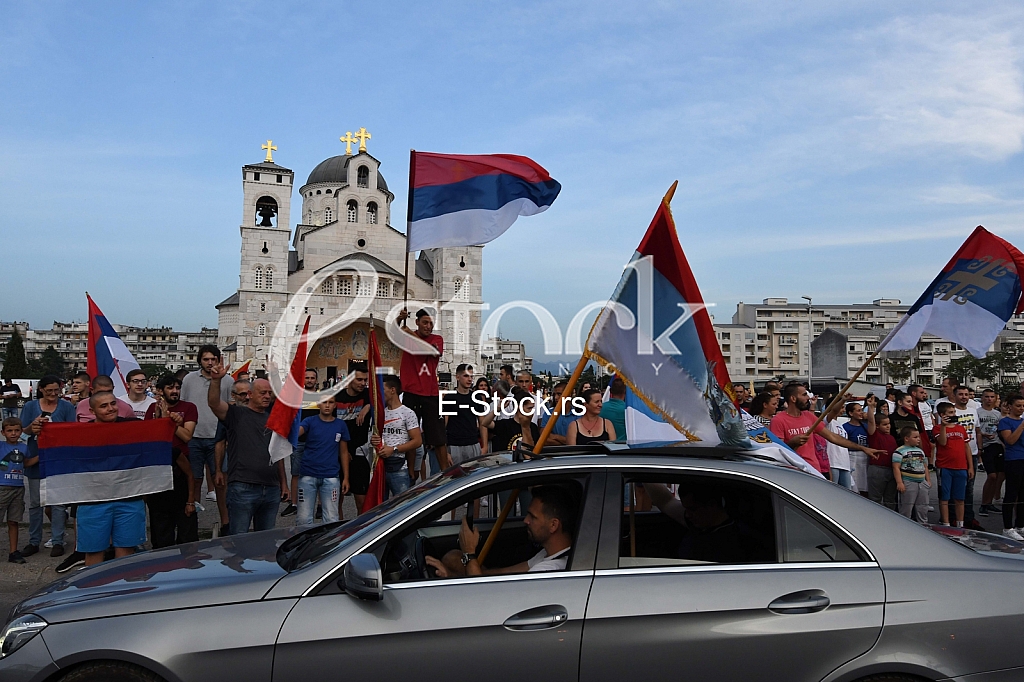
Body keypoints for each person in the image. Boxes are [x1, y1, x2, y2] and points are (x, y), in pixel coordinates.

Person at [208, 364, 288, 534]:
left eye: (269, 393)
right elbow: (214, 404)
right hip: (243, 487)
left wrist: (283, 483)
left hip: (271, 488)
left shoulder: (273, 419)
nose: (267, 397)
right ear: (250, 395)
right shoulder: (236, 414)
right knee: (239, 539)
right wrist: (216, 381)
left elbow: (278, 453)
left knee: (265, 541)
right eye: (262, 393)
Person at [426, 485, 575, 577]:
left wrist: (469, 553)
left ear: (553, 525)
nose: (525, 520)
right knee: (453, 557)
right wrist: (450, 575)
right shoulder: (549, 554)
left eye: (533, 517)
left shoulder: (550, 570)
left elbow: (482, 596)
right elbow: (504, 573)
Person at [73, 391, 149, 566]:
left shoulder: (134, 426)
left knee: (126, 553)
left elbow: (157, 439)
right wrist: (40, 429)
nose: (110, 408)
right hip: (93, 501)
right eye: (104, 406)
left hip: (128, 499)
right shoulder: (81, 433)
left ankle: (120, 592)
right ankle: (95, 593)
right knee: (93, 553)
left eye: (113, 403)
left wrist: (170, 422)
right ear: (92, 411)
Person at [20, 375, 76, 558]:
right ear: (41, 390)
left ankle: (58, 540)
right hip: (36, 457)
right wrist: (33, 427)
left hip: (58, 458)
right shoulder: (30, 406)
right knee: (35, 503)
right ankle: (33, 541)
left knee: (58, 503)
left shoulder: (67, 407)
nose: (53, 394)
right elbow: (23, 431)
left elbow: (72, 431)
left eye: (56, 390)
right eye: (49, 390)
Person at [770, 384, 881, 475]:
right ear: (793, 398)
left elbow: (832, 437)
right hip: (794, 473)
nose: (808, 398)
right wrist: (792, 443)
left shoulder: (808, 416)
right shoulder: (778, 420)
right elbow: (777, 451)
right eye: (804, 395)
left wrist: (863, 448)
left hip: (814, 470)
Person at [180, 345, 233, 532]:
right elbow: (183, 406)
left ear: (218, 360)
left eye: (213, 359)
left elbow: (229, 409)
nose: (210, 362)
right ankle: (191, 523)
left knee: (220, 482)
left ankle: (226, 523)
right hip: (193, 437)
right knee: (193, 480)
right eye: (206, 359)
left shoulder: (227, 380)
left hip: (217, 438)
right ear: (200, 361)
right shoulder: (189, 379)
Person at [144, 374, 198, 549]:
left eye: (177, 388)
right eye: (170, 388)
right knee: (160, 523)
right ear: (160, 391)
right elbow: (151, 437)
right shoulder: (152, 408)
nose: (175, 391)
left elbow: (187, 436)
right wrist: (159, 419)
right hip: (159, 465)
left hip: (181, 463)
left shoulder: (189, 407)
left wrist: (170, 422)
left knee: (185, 522)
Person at [397, 308, 449, 470]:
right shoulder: (407, 335)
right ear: (417, 322)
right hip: (411, 392)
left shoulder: (437, 339)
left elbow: (431, 351)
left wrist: (410, 334)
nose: (428, 326)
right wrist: (399, 319)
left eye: (431, 323)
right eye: (425, 322)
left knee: (439, 438)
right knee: (410, 436)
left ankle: (446, 473)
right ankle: (411, 472)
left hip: (430, 394)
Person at [296, 395, 349, 525]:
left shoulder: (340, 425)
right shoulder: (310, 421)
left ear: (335, 405)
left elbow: (343, 452)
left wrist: (346, 477)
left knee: (331, 518)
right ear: (318, 404)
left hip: (331, 476)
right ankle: (305, 544)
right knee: (303, 518)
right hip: (308, 474)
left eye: (331, 402)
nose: (327, 405)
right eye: (324, 402)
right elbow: (297, 432)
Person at [369, 375, 422, 498]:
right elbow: (376, 436)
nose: (380, 393)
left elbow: (417, 441)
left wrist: (393, 449)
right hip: (380, 466)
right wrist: (374, 440)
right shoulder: (379, 413)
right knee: (380, 508)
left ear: (393, 390)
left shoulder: (407, 413)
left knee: (402, 507)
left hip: (399, 468)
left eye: (382, 389)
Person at [282, 368, 322, 518]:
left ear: (316, 380)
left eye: (312, 378)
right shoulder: (296, 398)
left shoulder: (320, 398)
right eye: (307, 378)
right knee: (296, 473)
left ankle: (320, 505)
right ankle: (294, 504)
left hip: (316, 443)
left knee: (318, 473)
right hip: (298, 441)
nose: (310, 380)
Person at [336, 365, 371, 510]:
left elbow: (385, 398)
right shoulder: (337, 396)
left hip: (359, 453)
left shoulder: (368, 394)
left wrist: (367, 407)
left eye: (365, 380)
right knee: (336, 501)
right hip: (338, 452)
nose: (363, 383)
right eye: (359, 380)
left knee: (362, 502)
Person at [934, 402, 973, 527]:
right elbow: (943, 442)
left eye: (954, 412)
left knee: (960, 497)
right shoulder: (937, 428)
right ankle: (946, 523)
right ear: (942, 415)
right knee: (945, 497)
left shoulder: (961, 428)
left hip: (961, 466)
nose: (953, 415)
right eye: (950, 413)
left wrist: (970, 466)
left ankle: (960, 524)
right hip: (945, 466)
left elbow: (967, 447)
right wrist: (944, 427)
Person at [445, 364, 492, 466]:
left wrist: (484, 447)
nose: (470, 379)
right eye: (466, 376)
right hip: (454, 445)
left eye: (471, 376)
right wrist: (445, 451)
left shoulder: (477, 398)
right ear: (457, 377)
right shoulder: (449, 398)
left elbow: (482, 423)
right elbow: (443, 425)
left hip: (473, 444)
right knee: (455, 478)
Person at [0, 418, 31, 563]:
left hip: (18, 488)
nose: (13, 433)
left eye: (17, 430)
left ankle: (13, 552)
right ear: (3, 432)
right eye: (9, 431)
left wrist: (42, 456)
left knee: (14, 521)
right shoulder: (1, 446)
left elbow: (26, 463)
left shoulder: (24, 447)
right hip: (2, 487)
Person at [950, 386, 982, 528]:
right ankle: (952, 518)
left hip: (972, 453)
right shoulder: (951, 411)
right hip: (956, 454)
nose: (964, 397)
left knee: (969, 488)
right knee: (953, 488)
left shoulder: (973, 411)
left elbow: (978, 431)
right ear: (955, 395)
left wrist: (980, 449)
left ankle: (969, 518)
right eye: (961, 394)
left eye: (966, 394)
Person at [998, 396, 1024, 540]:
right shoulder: (1005, 422)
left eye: (1023, 406)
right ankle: (1008, 527)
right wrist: (1021, 426)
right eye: (1018, 405)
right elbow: (1010, 440)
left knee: (1023, 494)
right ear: (1011, 406)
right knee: (1011, 493)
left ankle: (1020, 524)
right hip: (1014, 459)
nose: (1021, 408)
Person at [865, 397, 898, 509]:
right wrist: (871, 408)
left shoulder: (891, 437)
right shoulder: (874, 435)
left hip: (891, 469)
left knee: (890, 499)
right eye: (885, 424)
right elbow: (870, 421)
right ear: (877, 426)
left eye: (889, 424)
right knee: (875, 499)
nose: (888, 426)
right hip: (878, 469)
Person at [893, 426, 930, 521]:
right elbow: (896, 467)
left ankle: (923, 525)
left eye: (918, 437)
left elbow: (925, 466)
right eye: (915, 437)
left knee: (923, 507)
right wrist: (900, 482)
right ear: (906, 438)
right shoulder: (899, 451)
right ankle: (904, 525)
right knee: (907, 507)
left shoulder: (920, 451)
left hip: (922, 482)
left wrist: (928, 481)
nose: (918, 439)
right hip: (909, 482)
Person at [978, 388, 1005, 518]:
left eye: (992, 397)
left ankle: (989, 502)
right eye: (987, 397)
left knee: (998, 476)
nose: (989, 399)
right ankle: (983, 504)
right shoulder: (977, 412)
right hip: (985, 446)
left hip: (997, 445)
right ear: (982, 398)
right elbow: (975, 430)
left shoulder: (997, 414)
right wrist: (983, 435)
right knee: (991, 476)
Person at [824, 400, 853, 490]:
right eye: (841, 407)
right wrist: (842, 399)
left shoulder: (840, 424)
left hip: (844, 464)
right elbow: (833, 412)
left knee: (847, 493)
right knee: (833, 491)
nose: (843, 410)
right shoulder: (827, 421)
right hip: (833, 463)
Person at [538, 380, 575, 445]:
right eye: (554, 394)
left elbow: (579, 440)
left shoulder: (578, 415)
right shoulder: (548, 413)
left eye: (559, 394)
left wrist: (555, 436)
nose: (555, 397)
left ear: (569, 395)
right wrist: (567, 441)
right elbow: (543, 439)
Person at [600, 378, 628, 443]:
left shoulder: (600, 408)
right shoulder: (628, 411)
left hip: (604, 446)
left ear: (610, 391)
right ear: (625, 391)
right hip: (623, 446)